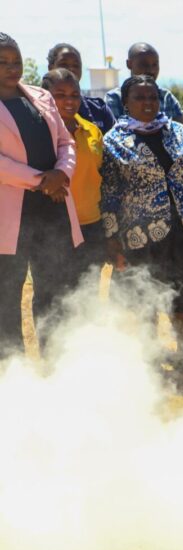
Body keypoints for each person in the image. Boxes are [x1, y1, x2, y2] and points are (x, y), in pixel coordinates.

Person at [100, 75, 183, 363]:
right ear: (126, 103)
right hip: (139, 237)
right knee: (145, 298)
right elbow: (109, 193)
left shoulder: (181, 134)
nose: (148, 103)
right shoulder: (113, 141)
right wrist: (111, 238)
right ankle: (149, 361)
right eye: (139, 97)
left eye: (152, 97)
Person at [0, 33, 82, 357]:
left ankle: (56, 362)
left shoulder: (41, 96)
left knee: (55, 288)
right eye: (3, 62)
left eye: (16, 61)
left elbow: (66, 142)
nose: (12, 68)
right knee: (7, 295)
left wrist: (62, 173)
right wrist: (40, 180)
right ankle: (11, 370)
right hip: (11, 217)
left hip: (53, 207)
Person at [40, 68, 104, 277]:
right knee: (53, 292)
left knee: (88, 290)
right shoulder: (37, 131)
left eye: (75, 95)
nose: (69, 101)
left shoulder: (92, 131)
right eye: (60, 95)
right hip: (54, 229)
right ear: (46, 96)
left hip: (92, 226)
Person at [105, 43, 183, 123]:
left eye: (155, 64)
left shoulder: (166, 97)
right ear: (129, 64)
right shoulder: (114, 98)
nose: (151, 70)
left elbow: (179, 128)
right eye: (144, 64)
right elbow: (114, 128)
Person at [46, 43, 114, 133]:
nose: (71, 69)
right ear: (50, 68)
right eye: (63, 64)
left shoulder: (99, 109)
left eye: (76, 65)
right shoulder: (40, 110)